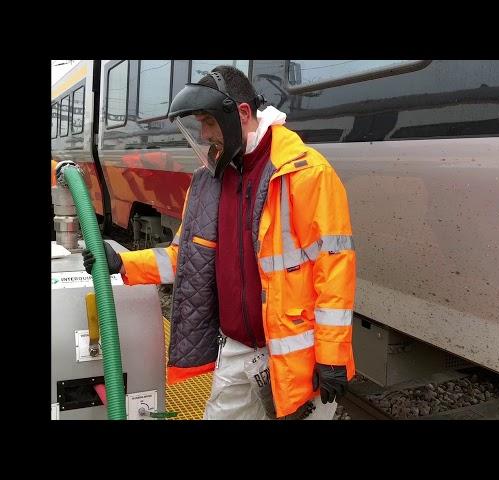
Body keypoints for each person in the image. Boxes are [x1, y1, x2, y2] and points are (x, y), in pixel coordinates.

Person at [82, 65, 356, 420]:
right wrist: (124, 264)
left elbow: (334, 265)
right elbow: (186, 257)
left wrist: (331, 354)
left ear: (241, 113)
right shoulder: (211, 181)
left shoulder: (305, 173)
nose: (204, 133)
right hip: (239, 350)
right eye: (200, 124)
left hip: (294, 355)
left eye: (209, 123)